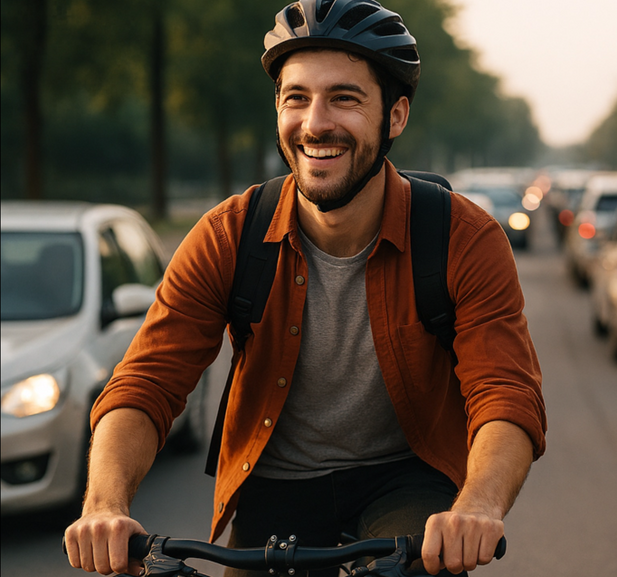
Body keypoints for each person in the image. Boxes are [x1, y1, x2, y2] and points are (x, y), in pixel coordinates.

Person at [63, 1, 546, 576]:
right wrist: (104, 507)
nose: (316, 122)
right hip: (275, 481)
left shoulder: (464, 238)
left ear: (395, 116)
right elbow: (146, 383)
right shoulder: (229, 234)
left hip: (405, 476)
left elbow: (505, 394)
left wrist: (477, 508)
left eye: (345, 98)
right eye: (297, 98)